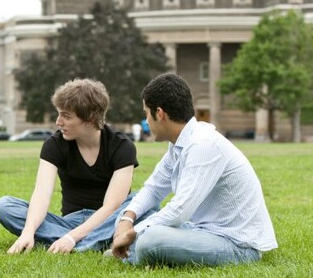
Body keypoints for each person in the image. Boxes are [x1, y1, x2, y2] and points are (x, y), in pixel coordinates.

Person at [111, 73, 278, 266]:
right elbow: (153, 188)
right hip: (199, 231)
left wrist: (132, 233)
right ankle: (131, 247)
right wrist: (127, 218)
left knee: (150, 240)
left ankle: (131, 252)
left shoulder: (203, 144)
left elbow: (180, 210)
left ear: (159, 113)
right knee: (132, 212)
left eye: (146, 114)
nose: (146, 121)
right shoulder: (180, 143)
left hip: (236, 244)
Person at [0, 78, 155, 254]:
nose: (58, 122)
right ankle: (102, 241)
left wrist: (70, 238)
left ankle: (80, 244)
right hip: (69, 222)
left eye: (66, 116)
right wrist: (28, 232)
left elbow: (111, 206)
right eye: (59, 114)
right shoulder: (54, 144)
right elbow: (41, 193)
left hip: (108, 220)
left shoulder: (122, 146)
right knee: (5, 206)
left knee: (146, 201)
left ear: (89, 119)